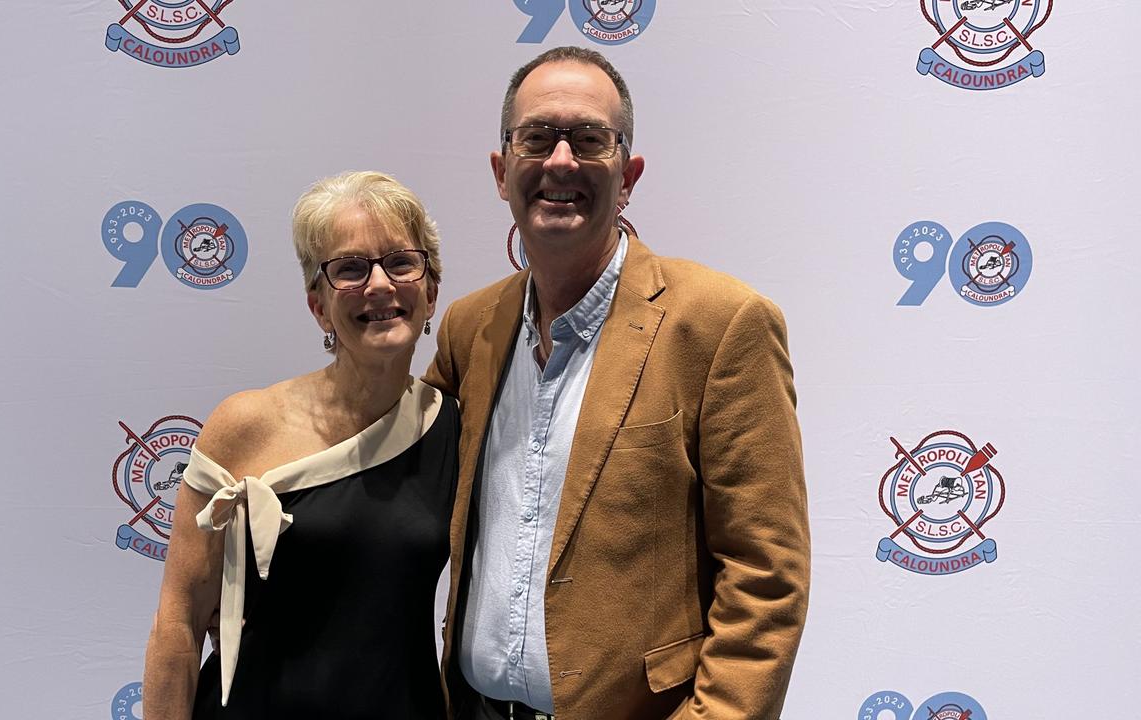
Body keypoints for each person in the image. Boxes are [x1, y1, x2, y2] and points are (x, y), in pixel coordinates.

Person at [425, 47, 810, 720]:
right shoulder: (469, 330)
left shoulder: (720, 325)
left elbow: (766, 579)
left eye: (590, 139)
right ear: (501, 170)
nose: (562, 161)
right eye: (537, 138)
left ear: (628, 175)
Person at [144, 171, 456, 720]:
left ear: (430, 291)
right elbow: (179, 619)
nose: (380, 285)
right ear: (318, 306)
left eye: (400, 262)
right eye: (350, 269)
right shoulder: (244, 425)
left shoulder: (455, 427)